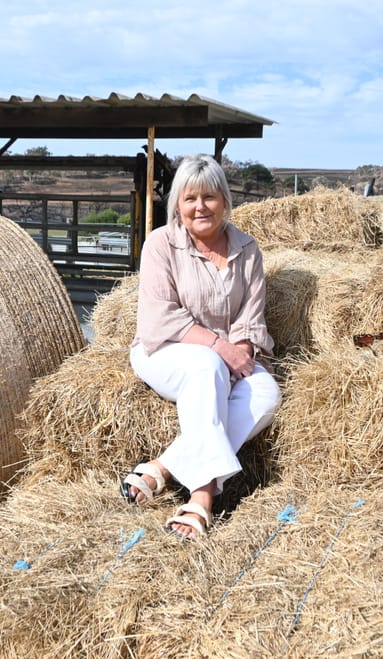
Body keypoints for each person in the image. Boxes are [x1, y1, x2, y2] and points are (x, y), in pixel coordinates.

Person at [121, 154, 282, 540]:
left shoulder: (247, 249)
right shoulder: (161, 244)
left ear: (224, 200)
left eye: (209, 197)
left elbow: (250, 316)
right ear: (178, 204)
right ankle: (203, 496)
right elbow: (161, 317)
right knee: (206, 366)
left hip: (224, 356)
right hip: (165, 351)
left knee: (266, 393)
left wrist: (238, 351)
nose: (200, 207)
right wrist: (220, 350)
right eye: (190, 198)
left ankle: (162, 467)